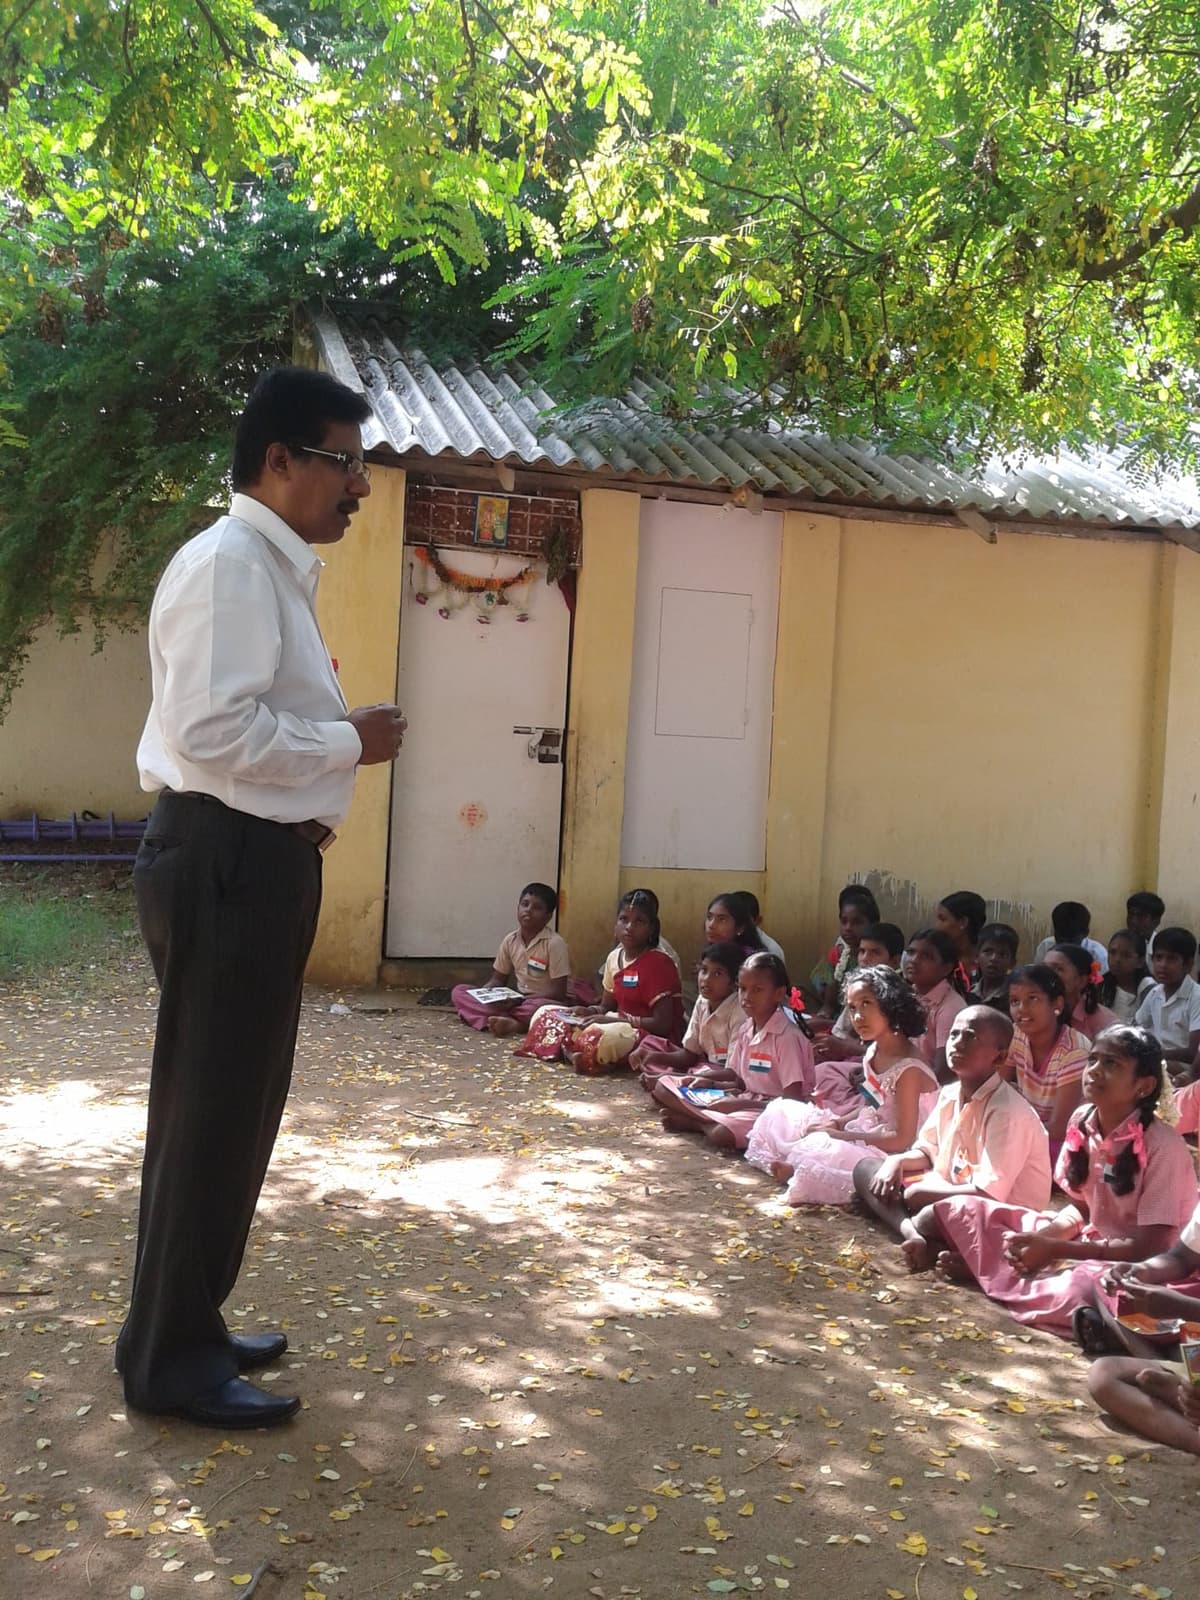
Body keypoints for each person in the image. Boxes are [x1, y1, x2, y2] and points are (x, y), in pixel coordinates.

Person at [116, 367, 407, 1428]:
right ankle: (171, 1360)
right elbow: (210, 733)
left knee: (229, 1110)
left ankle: (179, 1318)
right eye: (345, 463)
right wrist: (349, 742)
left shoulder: (271, 571)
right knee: (210, 1112)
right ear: (280, 461)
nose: (361, 489)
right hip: (225, 859)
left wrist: (337, 742)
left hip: (254, 862)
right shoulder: (231, 566)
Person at [909, 1027, 1196, 1331]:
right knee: (960, 1210)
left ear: (1144, 1085)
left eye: (1112, 1064)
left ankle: (989, 1271)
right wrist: (1044, 1238)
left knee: (1083, 1290)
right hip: (1085, 1242)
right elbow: (1081, 1208)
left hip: (1135, 1265)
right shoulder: (1082, 1120)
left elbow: (1150, 1248)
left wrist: (1054, 1249)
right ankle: (1003, 1270)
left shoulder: (1162, 1145)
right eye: (1093, 1060)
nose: (1095, 1071)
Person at [853, 1006, 1051, 1266]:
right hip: (948, 1188)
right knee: (867, 1168)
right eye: (954, 1034)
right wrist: (896, 1163)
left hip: (1000, 1213)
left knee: (929, 1215)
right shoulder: (949, 1094)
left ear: (999, 1058)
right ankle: (913, 1235)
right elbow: (926, 1152)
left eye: (970, 1037)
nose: (957, 1043)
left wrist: (923, 1193)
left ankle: (914, 1227)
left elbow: (989, 1194)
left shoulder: (1008, 1112)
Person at [746, 966, 937, 1205]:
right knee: (780, 1110)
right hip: (871, 1128)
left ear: (890, 1005)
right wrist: (837, 1122)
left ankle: (801, 1169)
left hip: (895, 1150)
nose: (858, 1017)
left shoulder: (909, 1069)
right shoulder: (874, 1051)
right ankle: (802, 1166)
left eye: (867, 1004)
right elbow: (876, 1104)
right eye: (853, 1007)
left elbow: (903, 1139)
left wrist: (841, 1135)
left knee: (829, 1148)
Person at [651, 953, 814, 1149]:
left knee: (723, 1134)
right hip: (743, 1098)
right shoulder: (747, 1028)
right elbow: (736, 1075)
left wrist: (738, 1105)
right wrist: (709, 1080)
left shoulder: (787, 1037)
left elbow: (792, 1102)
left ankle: (698, 1123)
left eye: (757, 990)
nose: (746, 997)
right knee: (664, 1085)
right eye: (742, 989)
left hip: (774, 1111)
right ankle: (711, 1119)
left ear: (778, 994)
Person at [519, 890, 682, 1071]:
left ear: (652, 928)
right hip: (614, 1021)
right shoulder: (614, 957)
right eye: (623, 919)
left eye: (639, 922)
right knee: (545, 1012)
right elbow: (606, 1006)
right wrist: (588, 1010)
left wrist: (614, 1021)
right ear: (615, 924)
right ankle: (582, 1055)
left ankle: (576, 1052)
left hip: (645, 1034)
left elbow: (662, 1024)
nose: (629, 926)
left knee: (607, 1038)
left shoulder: (659, 963)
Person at [450, 883, 570, 1037]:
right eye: (524, 904)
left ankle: (514, 1024)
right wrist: (486, 994)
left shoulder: (554, 943)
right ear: (517, 908)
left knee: (544, 1010)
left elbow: (558, 992)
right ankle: (509, 1021)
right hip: (515, 1002)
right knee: (459, 992)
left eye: (537, 907)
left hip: (539, 1002)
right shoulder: (510, 940)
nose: (528, 910)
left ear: (548, 916)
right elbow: (498, 979)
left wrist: (519, 1000)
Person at [1006, 963, 1090, 1157]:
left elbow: (1060, 1128)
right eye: (1014, 1001)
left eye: (1032, 999)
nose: (1022, 1009)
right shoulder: (1016, 1033)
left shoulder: (1074, 1051)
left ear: (1057, 1005)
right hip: (1032, 1131)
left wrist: (1011, 1133)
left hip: (1066, 1142)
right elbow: (996, 1088)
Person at [633, 941, 745, 1084]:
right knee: (649, 1044)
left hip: (726, 1077)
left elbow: (733, 1074)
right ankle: (673, 1082)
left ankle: (673, 1083)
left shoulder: (740, 1012)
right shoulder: (702, 1001)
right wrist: (653, 1056)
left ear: (734, 982)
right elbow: (689, 1055)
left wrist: (673, 1078)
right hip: (703, 1066)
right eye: (704, 970)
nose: (706, 979)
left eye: (717, 973)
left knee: (670, 1085)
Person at [1133, 926, 1200, 1085]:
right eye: (1158, 957)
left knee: (1140, 1067)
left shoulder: (1196, 996)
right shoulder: (1155, 993)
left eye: (1171, 959)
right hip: (1160, 1059)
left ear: (1188, 965)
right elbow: (1137, 1025)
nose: (1162, 965)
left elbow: (1192, 1052)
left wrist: (1155, 1054)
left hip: (1190, 1067)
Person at [901, 927, 966, 1079]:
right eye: (911, 952)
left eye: (926, 956)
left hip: (927, 1087)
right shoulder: (908, 994)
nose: (914, 960)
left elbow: (944, 1073)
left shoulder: (950, 1007)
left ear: (946, 968)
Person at [810, 884, 880, 1015]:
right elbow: (828, 1005)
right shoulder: (839, 954)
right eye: (844, 921)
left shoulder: (878, 959)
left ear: (873, 924)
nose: (848, 927)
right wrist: (821, 1017)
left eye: (857, 922)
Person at [1043, 943, 1120, 1042]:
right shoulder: (1035, 1012)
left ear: (1082, 981)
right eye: (1044, 968)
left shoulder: (1106, 1024)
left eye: (1058, 969)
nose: (1047, 974)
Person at [1034, 901, 1108, 973]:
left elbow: (1100, 983)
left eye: (1071, 940)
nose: (1065, 946)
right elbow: (1038, 979)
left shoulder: (1097, 955)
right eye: (1061, 939)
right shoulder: (1045, 947)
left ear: (1085, 933)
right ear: (1055, 932)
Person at [1101, 928, 1153, 1025]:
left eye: (1126, 955)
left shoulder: (1148, 988)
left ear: (1140, 962)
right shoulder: (1103, 985)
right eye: (1112, 952)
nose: (1117, 960)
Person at [935, 890, 988, 987]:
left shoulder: (989, 964)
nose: (936, 926)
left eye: (942, 919)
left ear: (963, 922)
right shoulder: (937, 961)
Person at [968, 923, 1019, 1014]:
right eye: (988, 952)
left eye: (1003, 954)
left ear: (1012, 963)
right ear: (976, 956)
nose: (994, 958)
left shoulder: (1014, 997)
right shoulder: (969, 993)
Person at [736, 889, 786, 962]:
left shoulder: (771, 950)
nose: (737, 924)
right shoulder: (722, 939)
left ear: (757, 921)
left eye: (743, 920)